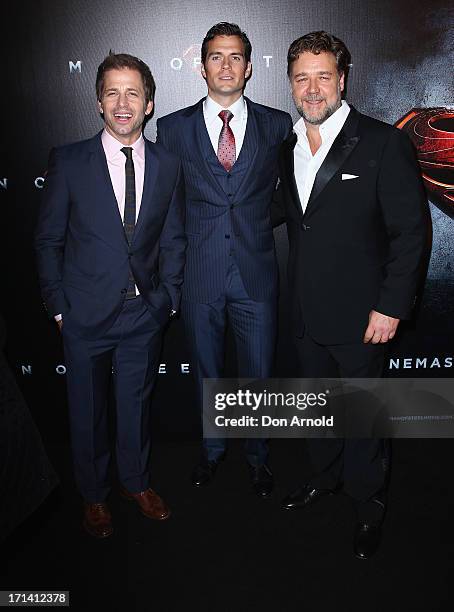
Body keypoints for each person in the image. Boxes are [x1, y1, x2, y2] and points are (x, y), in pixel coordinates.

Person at [272, 31, 428, 557]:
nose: (312, 89)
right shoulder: (286, 146)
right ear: (290, 84)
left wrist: (390, 306)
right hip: (303, 312)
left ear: (342, 78)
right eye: (301, 78)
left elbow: (411, 232)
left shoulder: (383, 142)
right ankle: (326, 477)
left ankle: (368, 501)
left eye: (322, 76)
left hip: (365, 315)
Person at [35, 53, 186, 538]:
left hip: (144, 312)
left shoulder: (167, 164)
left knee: (135, 406)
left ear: (149, 103)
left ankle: (135, 482)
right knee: (87, 411)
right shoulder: (70, 160)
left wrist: (168, 299)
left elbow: (175, 238)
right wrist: (59, 307)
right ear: (99, 101)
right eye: (113, 92)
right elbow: (48, 240)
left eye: (133, 93)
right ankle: (94, 495)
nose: (124, 103)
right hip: (83, 314)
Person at [157, 23, 292, 497]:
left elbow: (290, 198)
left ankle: (258, 457)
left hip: (256, 273)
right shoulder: (171, 129)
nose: (226, 66)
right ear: (202, 67)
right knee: (207, 373)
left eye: (236, 57)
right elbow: (168, 204)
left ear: (250, 66)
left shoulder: (278, 125)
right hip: (200, 274)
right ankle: (212, 452)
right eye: (216, 57)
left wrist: (254, 222)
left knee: (258, 372)